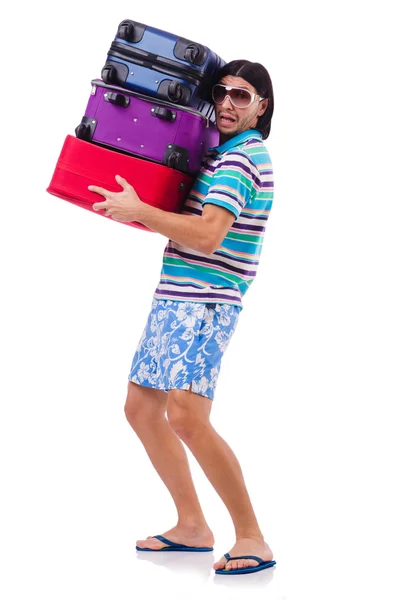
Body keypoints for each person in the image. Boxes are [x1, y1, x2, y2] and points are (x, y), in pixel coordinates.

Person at [88, 59, 276, 575]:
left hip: (206, 301)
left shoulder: (243, 160)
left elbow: (208, 235)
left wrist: (142, 211)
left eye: (242, 95)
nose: (227, 104)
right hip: (174, 295)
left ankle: (253, 538)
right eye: (221, 93)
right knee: (142, 408)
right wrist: (135, 206)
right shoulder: (217, 156)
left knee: (188, 418)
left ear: (263, 105)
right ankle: (192, 525)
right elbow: (185, 225)